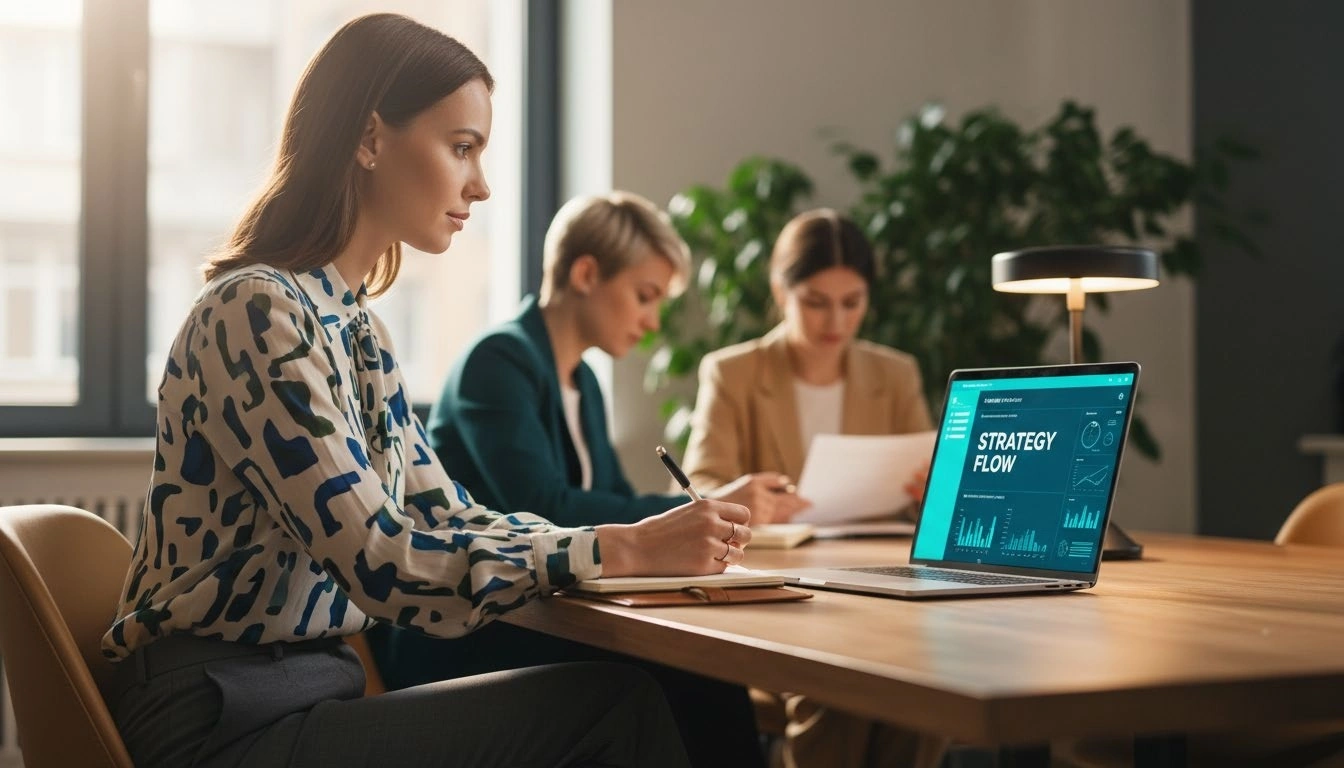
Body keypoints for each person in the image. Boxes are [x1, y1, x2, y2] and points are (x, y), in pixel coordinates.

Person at [101, 15, 753, 768]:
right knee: (618, 707)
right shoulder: (260, 310)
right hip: (220, 717)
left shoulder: (354, 328)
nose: (480, 184)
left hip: (303, 689)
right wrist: (620, 547)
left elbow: (447, 513)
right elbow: (383, 556)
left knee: (649, 694)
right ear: (370, 138)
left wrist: (625, 547)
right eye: (462, 147)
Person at [368, 191, 784, 768]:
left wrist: (682, 525)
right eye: (645, 296)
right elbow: (543, 503)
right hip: (468, 627)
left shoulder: (583, 381)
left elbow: (604, 502)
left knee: (705, 673)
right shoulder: (499, 359)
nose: (653, 320)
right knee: (697, 679)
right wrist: (682, 518)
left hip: (549, 612)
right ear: (587, 273)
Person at [682, 208, 945, 768]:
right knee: (839, 691)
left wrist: (933, 493)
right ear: (782, 290)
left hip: (874, 587)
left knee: (922, 691)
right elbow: (699, 487)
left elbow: (931, 486)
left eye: (852, 302)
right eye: (817, 302)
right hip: (777, 591)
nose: (836, 321)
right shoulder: (733, 373)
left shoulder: (895, 374)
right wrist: (744, 499)